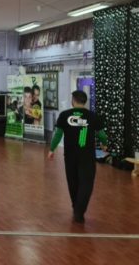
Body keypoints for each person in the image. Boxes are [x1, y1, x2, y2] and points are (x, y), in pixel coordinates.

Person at [48, 90, 107, 224]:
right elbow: (102, 134)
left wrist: (52, 149)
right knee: (86, 183)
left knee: (73, 182)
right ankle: (79, 211)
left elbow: (58, 134)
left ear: (73, 101)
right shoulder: (92, 116)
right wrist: (104, 144)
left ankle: (76, 208)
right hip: (87, 156)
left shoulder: (64, 115)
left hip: (70, 156)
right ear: (85, 101)